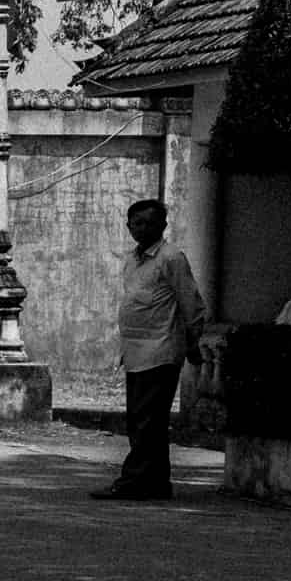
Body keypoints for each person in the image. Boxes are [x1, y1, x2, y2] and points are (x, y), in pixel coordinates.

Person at [92, 199, 206, 501]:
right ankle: (155, 482)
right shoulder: (132, 260)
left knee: (147, 421)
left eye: (150, 222)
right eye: (137, 223)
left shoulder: (171, 258)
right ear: (129, 226)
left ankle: (135, 481)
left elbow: (191, 304)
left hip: (161, 350)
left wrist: (194, 342)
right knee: (144, 421)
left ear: (163, 226)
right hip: (135, 353)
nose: (143, 228)